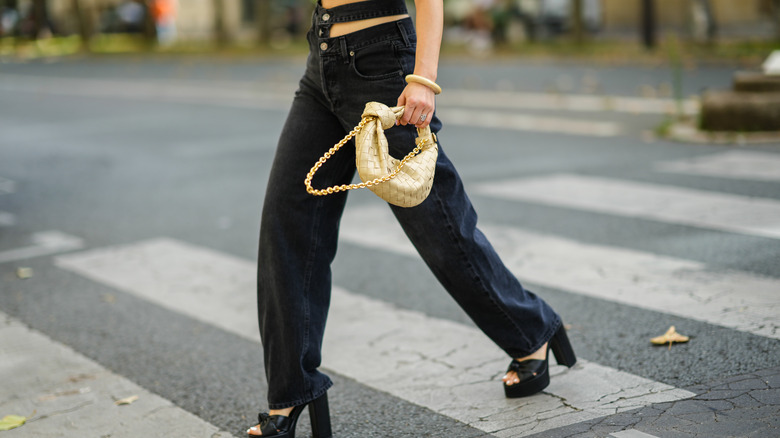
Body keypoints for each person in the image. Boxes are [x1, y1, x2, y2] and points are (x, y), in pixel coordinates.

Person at [249, 0, 576, 436]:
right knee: (286, 224)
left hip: (383, 64)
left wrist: (422, 77)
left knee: (438, 226)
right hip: (322, 61)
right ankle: (291, 393)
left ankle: (530, 330)